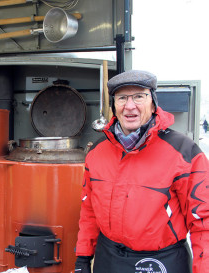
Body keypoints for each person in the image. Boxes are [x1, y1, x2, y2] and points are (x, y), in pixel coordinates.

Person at [74, 70, 208, 273]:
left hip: (163, 263)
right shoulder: (97, 152)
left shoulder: (184, 152)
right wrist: (83, 258)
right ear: (114, 106)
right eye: (122, 98)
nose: (130, 106)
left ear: (153, 102)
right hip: (108, 260)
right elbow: (89, 211)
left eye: (139, 96)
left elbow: (203, 222)